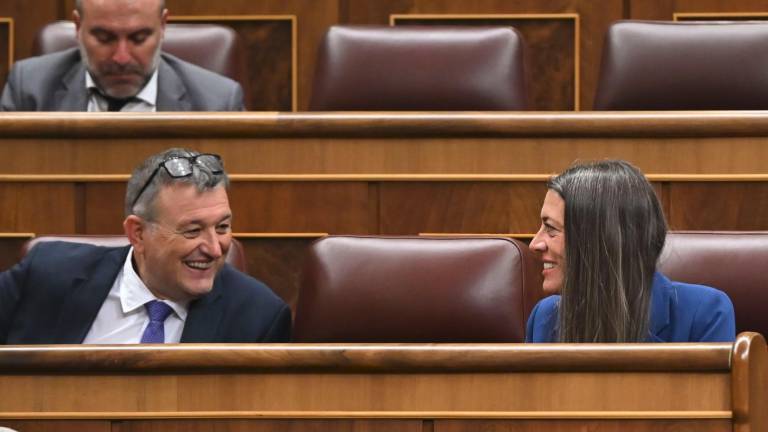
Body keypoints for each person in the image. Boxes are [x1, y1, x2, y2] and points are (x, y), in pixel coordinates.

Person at [0, 148, 290, 344]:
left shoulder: (258, 317)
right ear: (137, 233)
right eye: (193, 231)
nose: (215, 249)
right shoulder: (47, 274)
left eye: (222, 227)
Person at [526, 160, 735, 343]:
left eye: (551, 229)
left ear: (600, 241)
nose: (535, 244)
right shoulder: (544, 319)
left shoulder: (705, 314)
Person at [0, 0, 244, 111]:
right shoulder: (29, 89)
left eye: (138, 38)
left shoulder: (218, 102)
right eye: (104, 38)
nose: (121, 57)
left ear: (163, 26)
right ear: (78, 26)